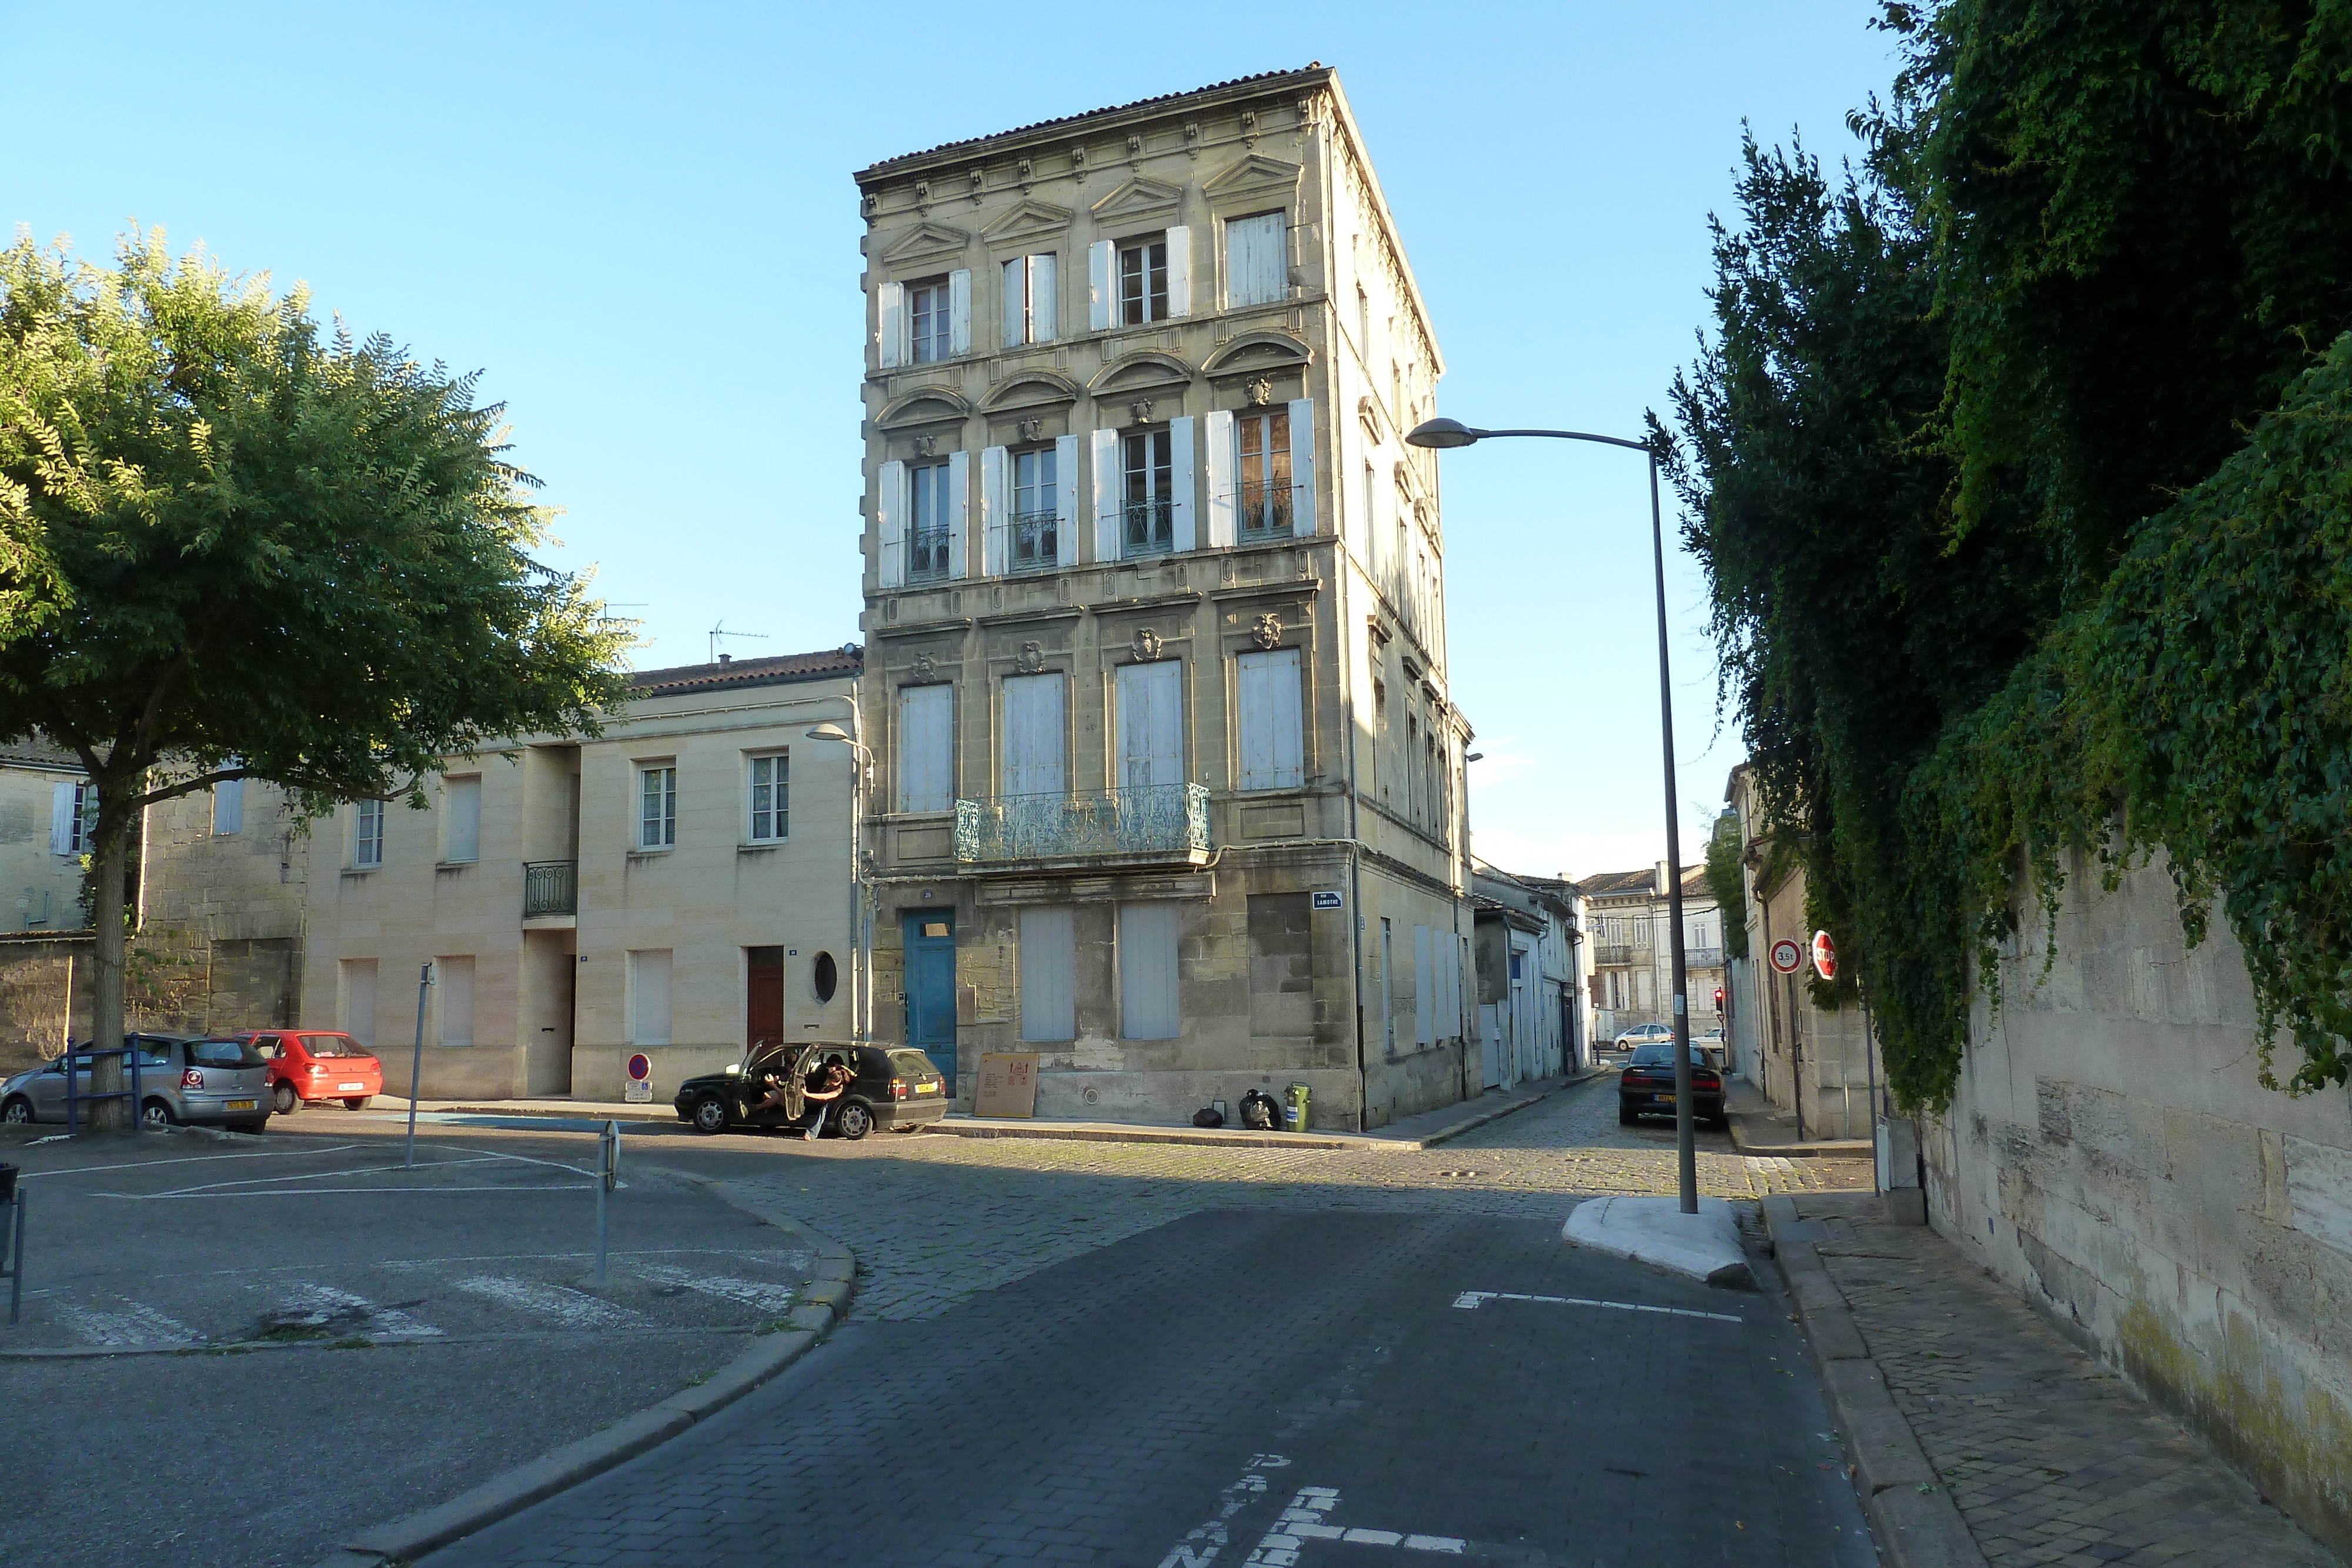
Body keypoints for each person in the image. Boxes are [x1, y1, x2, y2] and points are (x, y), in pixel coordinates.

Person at [800, 1052, 852, 1141]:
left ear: (838, 1082)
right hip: (828, 1101)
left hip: (834, 1104)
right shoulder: (837, 1077)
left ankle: (812, 1133)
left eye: (832, 1082)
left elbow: (826, 1096)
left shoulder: (841, 1088)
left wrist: (807, 1094)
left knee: (824, 1110)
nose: (830, 1083)